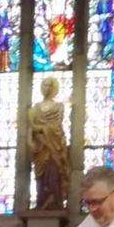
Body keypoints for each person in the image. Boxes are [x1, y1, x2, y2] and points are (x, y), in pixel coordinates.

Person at [28, 77, 70, 209]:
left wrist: (42, 128)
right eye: (44, 85)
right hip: (40, 147)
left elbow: (57, 127)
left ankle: (54, 200)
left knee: (53, 171)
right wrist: (30, 141)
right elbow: (31, 128)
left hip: (54, 145)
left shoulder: (58, 107)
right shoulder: (35, 109)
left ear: (53, 88)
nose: (46, 88)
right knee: (40, 174)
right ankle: (42, 199)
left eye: (49, 86)